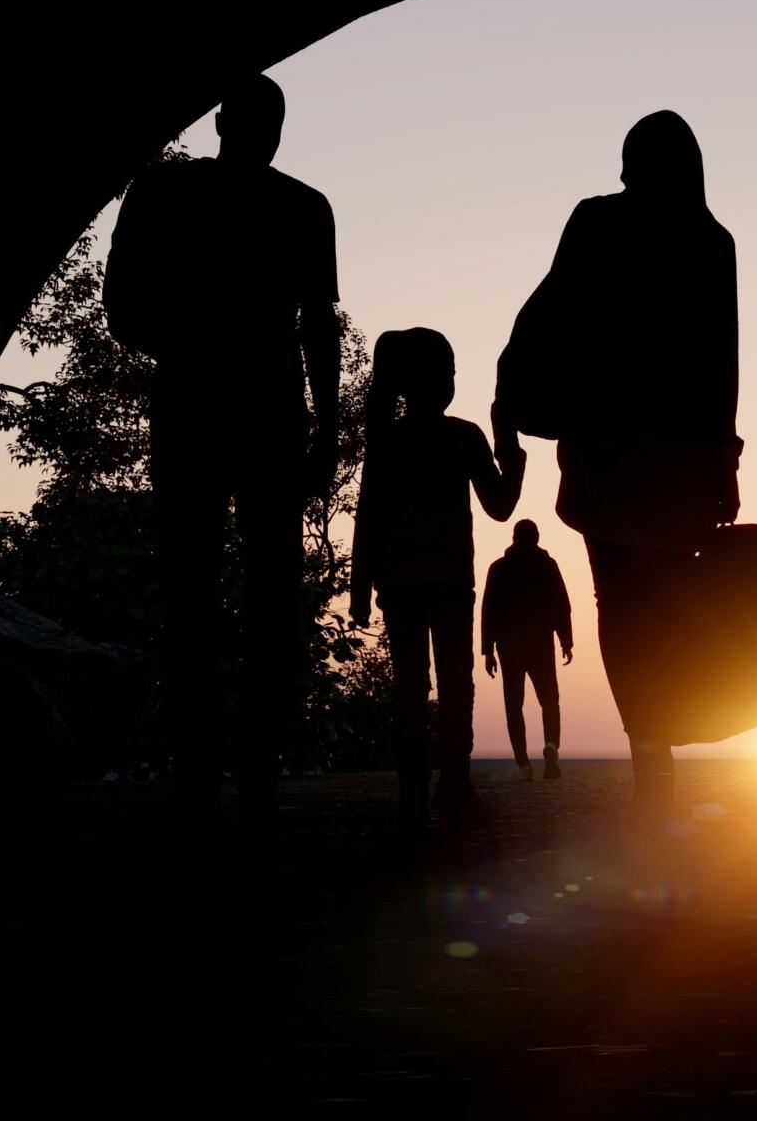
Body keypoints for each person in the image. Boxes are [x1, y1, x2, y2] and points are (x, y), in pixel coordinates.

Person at [103, 74, 341, 829]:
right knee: (253, 594)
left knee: (201, 593)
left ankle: (208, 779)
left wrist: (187, 349)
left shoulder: (167, 192)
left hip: (204, 404)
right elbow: (317, 325)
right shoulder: (300, 206)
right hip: (255, 407)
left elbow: (123, 305)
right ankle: (241, 778)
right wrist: (327, 425)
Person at [494, 110, 741, 819]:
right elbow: (719, 361)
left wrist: (510, 398)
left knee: (623, 605)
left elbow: (545, 313)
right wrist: (724, 460)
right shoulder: (710, 240)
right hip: (677, 458)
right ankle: (657, 749)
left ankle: (649, 754)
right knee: (661, 607)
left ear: (632, 161)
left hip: (608, 450)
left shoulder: (598, 221)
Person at [351, 328, 525, 826]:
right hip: (447, 583)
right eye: (448, 372)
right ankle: (452, 786)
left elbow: (368, 516)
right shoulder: (463, 436)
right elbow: (501, 505)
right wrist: (508, 448)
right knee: (453, 687)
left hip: (401, 584)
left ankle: (416, 793)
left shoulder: (387, 441)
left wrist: (361, 587)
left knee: (411, 689)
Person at [482, 519, 574, 780]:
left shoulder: (498, 568)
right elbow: (562, 605)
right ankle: (551, 745)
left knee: (514, 705)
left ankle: (523, 764)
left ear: (514, 538)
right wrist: (566, 641)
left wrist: (488, 649)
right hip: (540, 642)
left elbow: (489, 610)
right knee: (550, 700)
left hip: (509, 646)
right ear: (537, 538)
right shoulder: (547, 565)